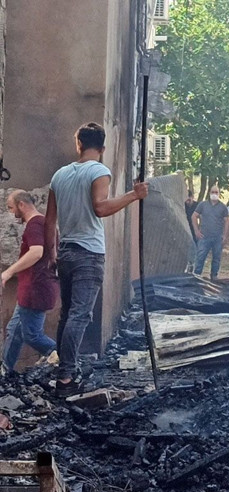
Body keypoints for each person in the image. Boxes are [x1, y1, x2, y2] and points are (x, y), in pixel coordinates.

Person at [44, 122, 148, 396]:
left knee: (67, 315)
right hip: (88, 253)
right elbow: (100, 208)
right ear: (102, 148)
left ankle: (65, 372)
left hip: (65, 250)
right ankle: (65, 377)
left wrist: (50, 252)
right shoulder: (99, 171)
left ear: (78, 144)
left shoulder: (60, 175)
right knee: (79, 315)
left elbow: (50, 219)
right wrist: (133, 196)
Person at [2, 191, 59, 375]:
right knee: (14, 329)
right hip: (33, 288)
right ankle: (5, 372)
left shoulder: (35, 224)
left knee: (32, 335)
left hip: (35, 289)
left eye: (11, 207)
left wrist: (9, 272)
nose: (11, 213)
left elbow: (36, 252)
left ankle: (66, 360)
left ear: (21, 205)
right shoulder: (44, 223)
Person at [192, 185, 229, 281]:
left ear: (219, 194)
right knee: (200, 257)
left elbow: (227, 221)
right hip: (204, 237)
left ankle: (214, 276)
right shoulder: (203, 205)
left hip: (217, 237)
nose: (214, 194)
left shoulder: (223, 207)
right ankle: (197, 276)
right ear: (209, 193)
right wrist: (196, 231)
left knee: (216, 258)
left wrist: (225, 236)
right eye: (212, 192)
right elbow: (194, 216)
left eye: (216, 192)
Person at [184, 190, 199, 273]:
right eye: (186, 200)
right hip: (186, 229)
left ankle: (193, 268)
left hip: (195, 231)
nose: (188, 202)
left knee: (195, 249)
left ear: (192, 197)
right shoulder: (183, 205)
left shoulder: (197, 206)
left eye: (189, 200)